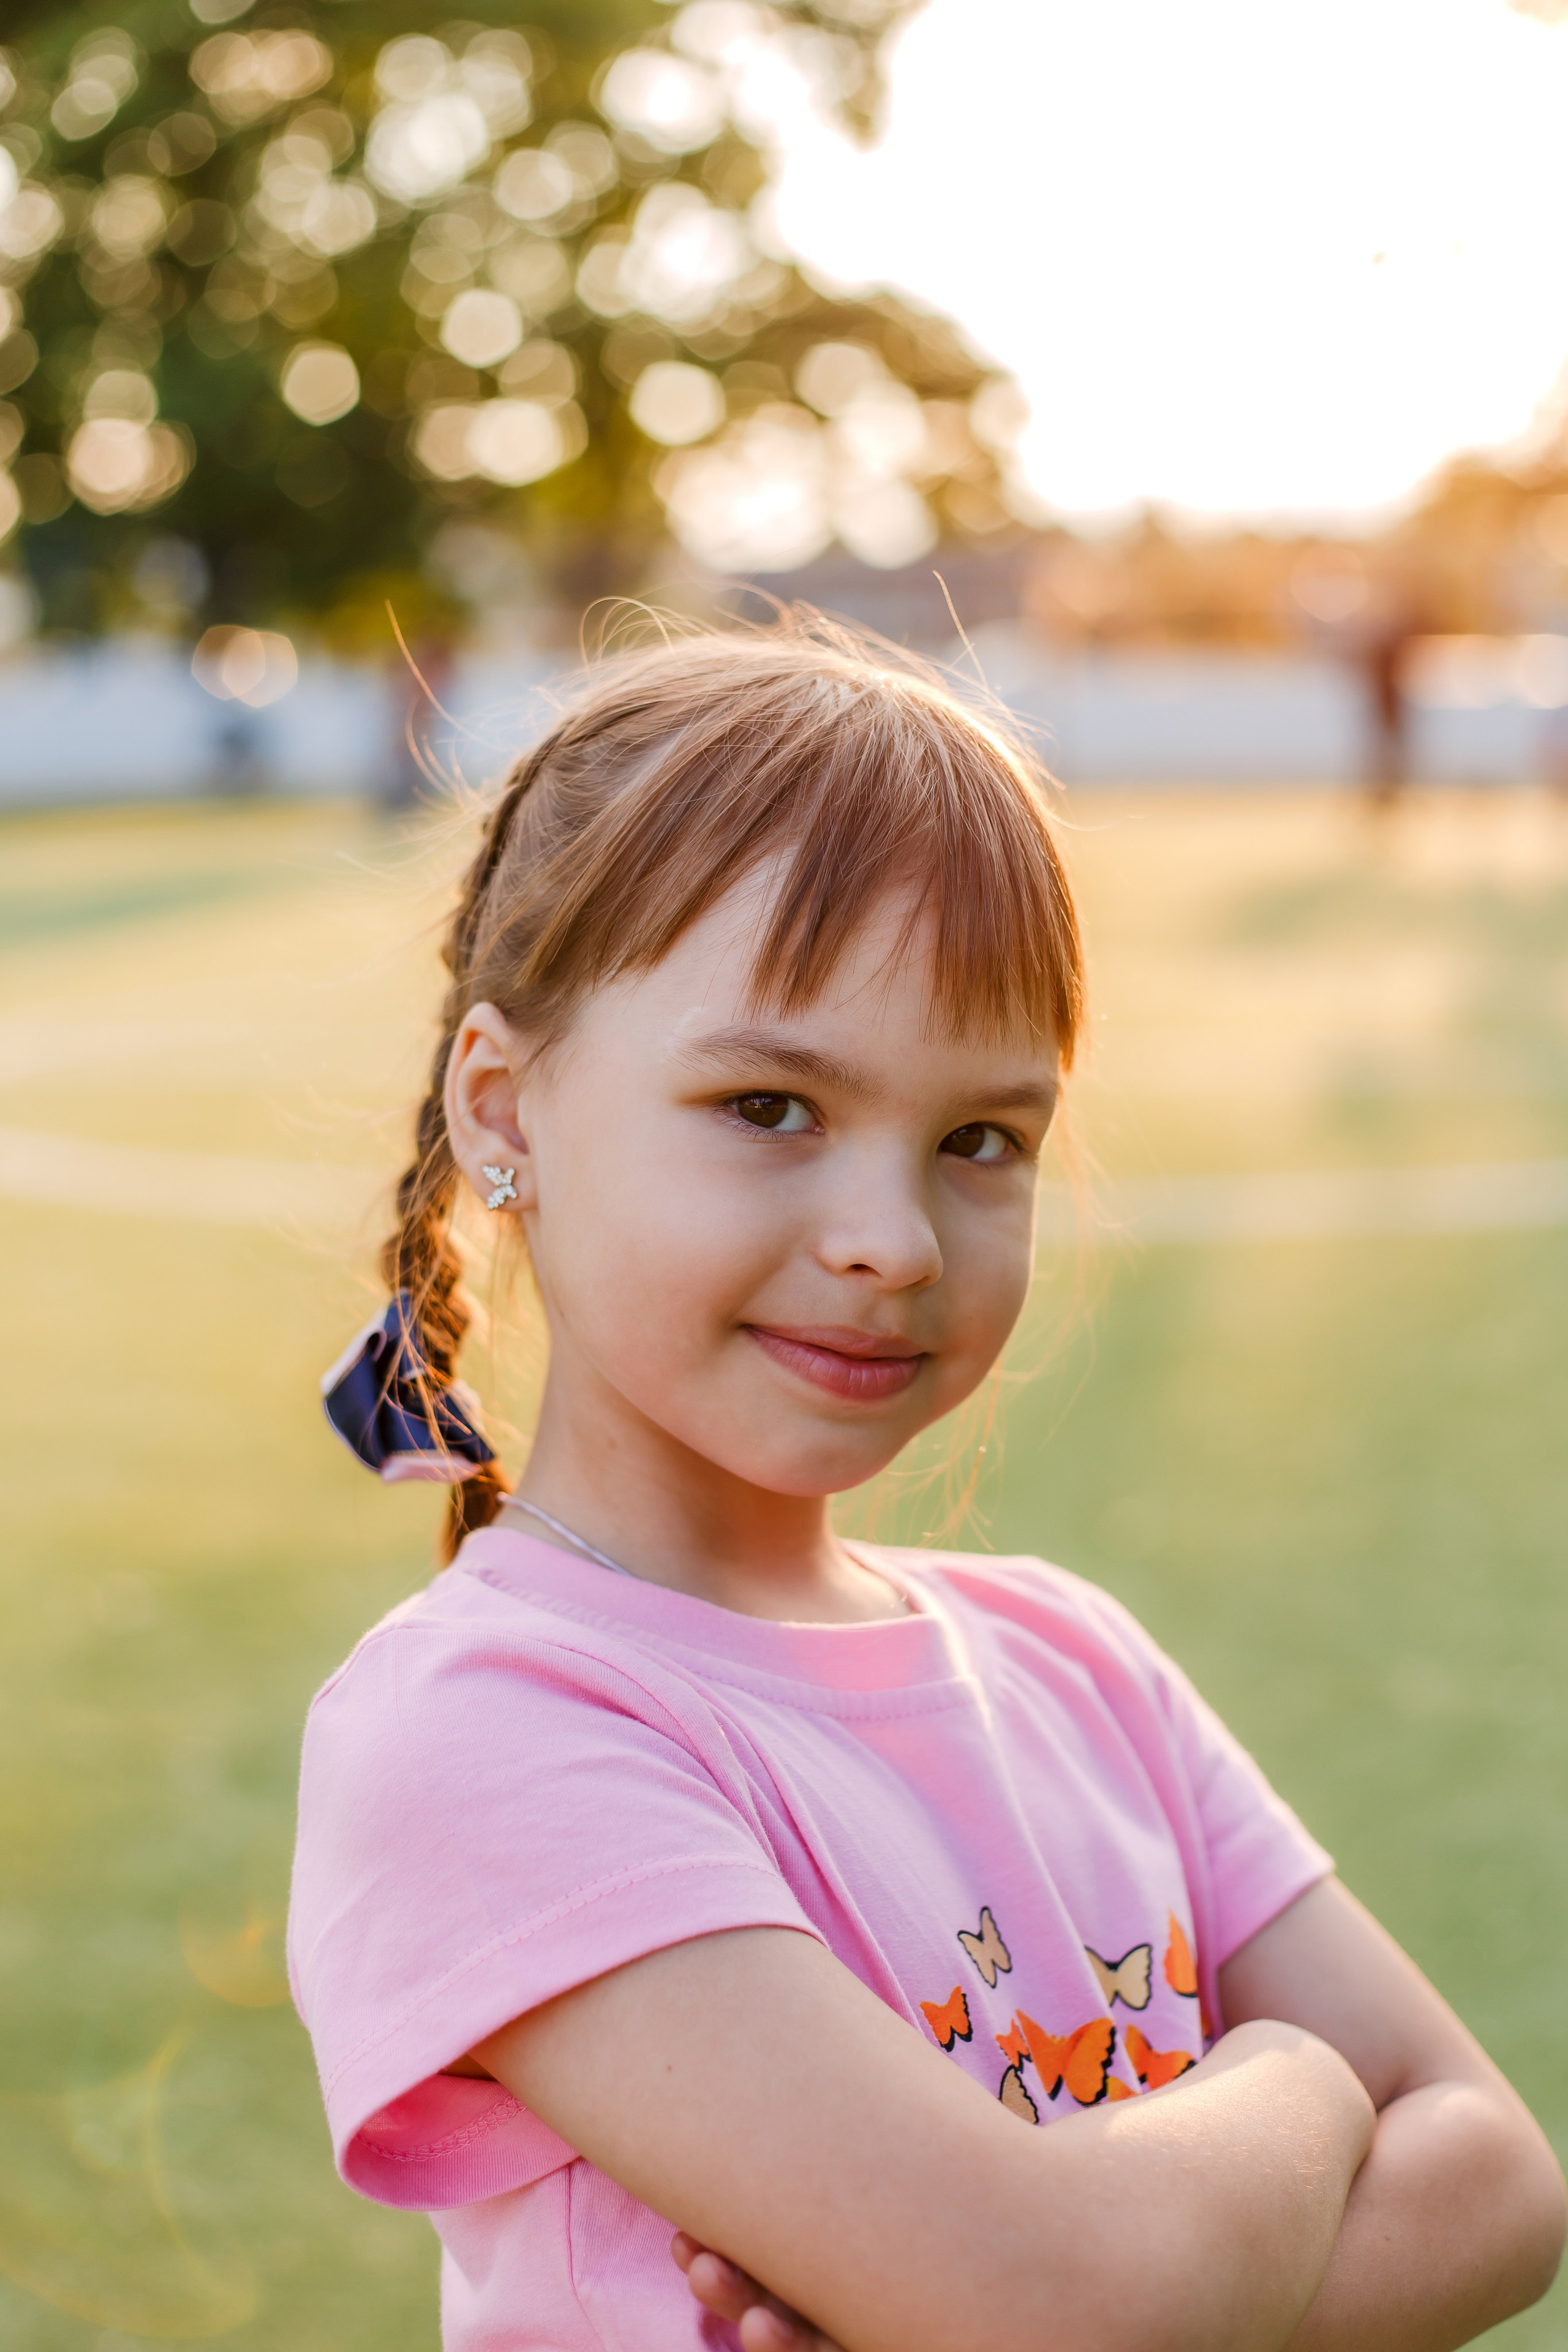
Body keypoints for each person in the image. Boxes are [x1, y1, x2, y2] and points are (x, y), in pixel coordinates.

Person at [289, 618, 1564, 2352]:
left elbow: (1500, 2182)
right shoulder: (485, 1727)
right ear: (504, 1109)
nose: (892, 1242)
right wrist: (1302, 2082)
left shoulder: (1078, 1659)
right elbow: (1069, 2308)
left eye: (981, 1141)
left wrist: (1094, 2285)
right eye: (769, 1106)